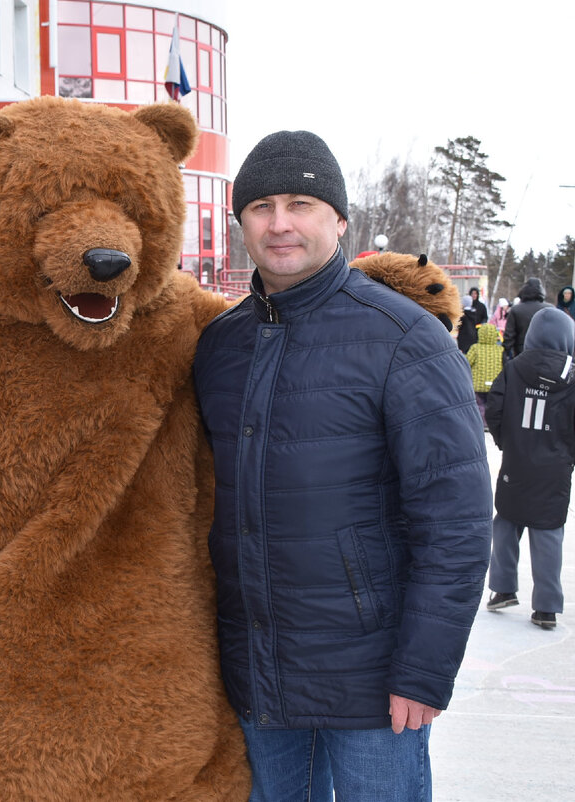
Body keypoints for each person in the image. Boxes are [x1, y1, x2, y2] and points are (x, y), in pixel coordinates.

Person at [193, 130, 492, 802]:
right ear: (240, 221)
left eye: (300, 203)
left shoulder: (403, 340)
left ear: (339, 219)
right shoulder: (220, 346)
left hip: (373, 683)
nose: (279, 223)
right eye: (261, 206)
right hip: (258, 675)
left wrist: (423, 668)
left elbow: (457, 522)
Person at [484, 306, 575, 631]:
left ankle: (503, 589)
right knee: (548, 532)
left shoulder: (514, 367)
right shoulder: (572, 374)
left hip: (517, 463)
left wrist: (506, 441)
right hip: (554, 470)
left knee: (506, 523)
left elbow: (493, 408)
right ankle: (546, 608)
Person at [503, 277, 550, 362]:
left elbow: (509, 336)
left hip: (521, 353)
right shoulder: (550, 309)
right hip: (544, 355)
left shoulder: (516, 310)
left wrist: (505, 353)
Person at [466, 322, 503, 426]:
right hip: (494, 384)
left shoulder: (475, 348)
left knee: (479, 404)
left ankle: (481, 423)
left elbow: (467, 362)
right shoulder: (500, 350)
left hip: (477, 384)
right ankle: (489, 422)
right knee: (490, 404)